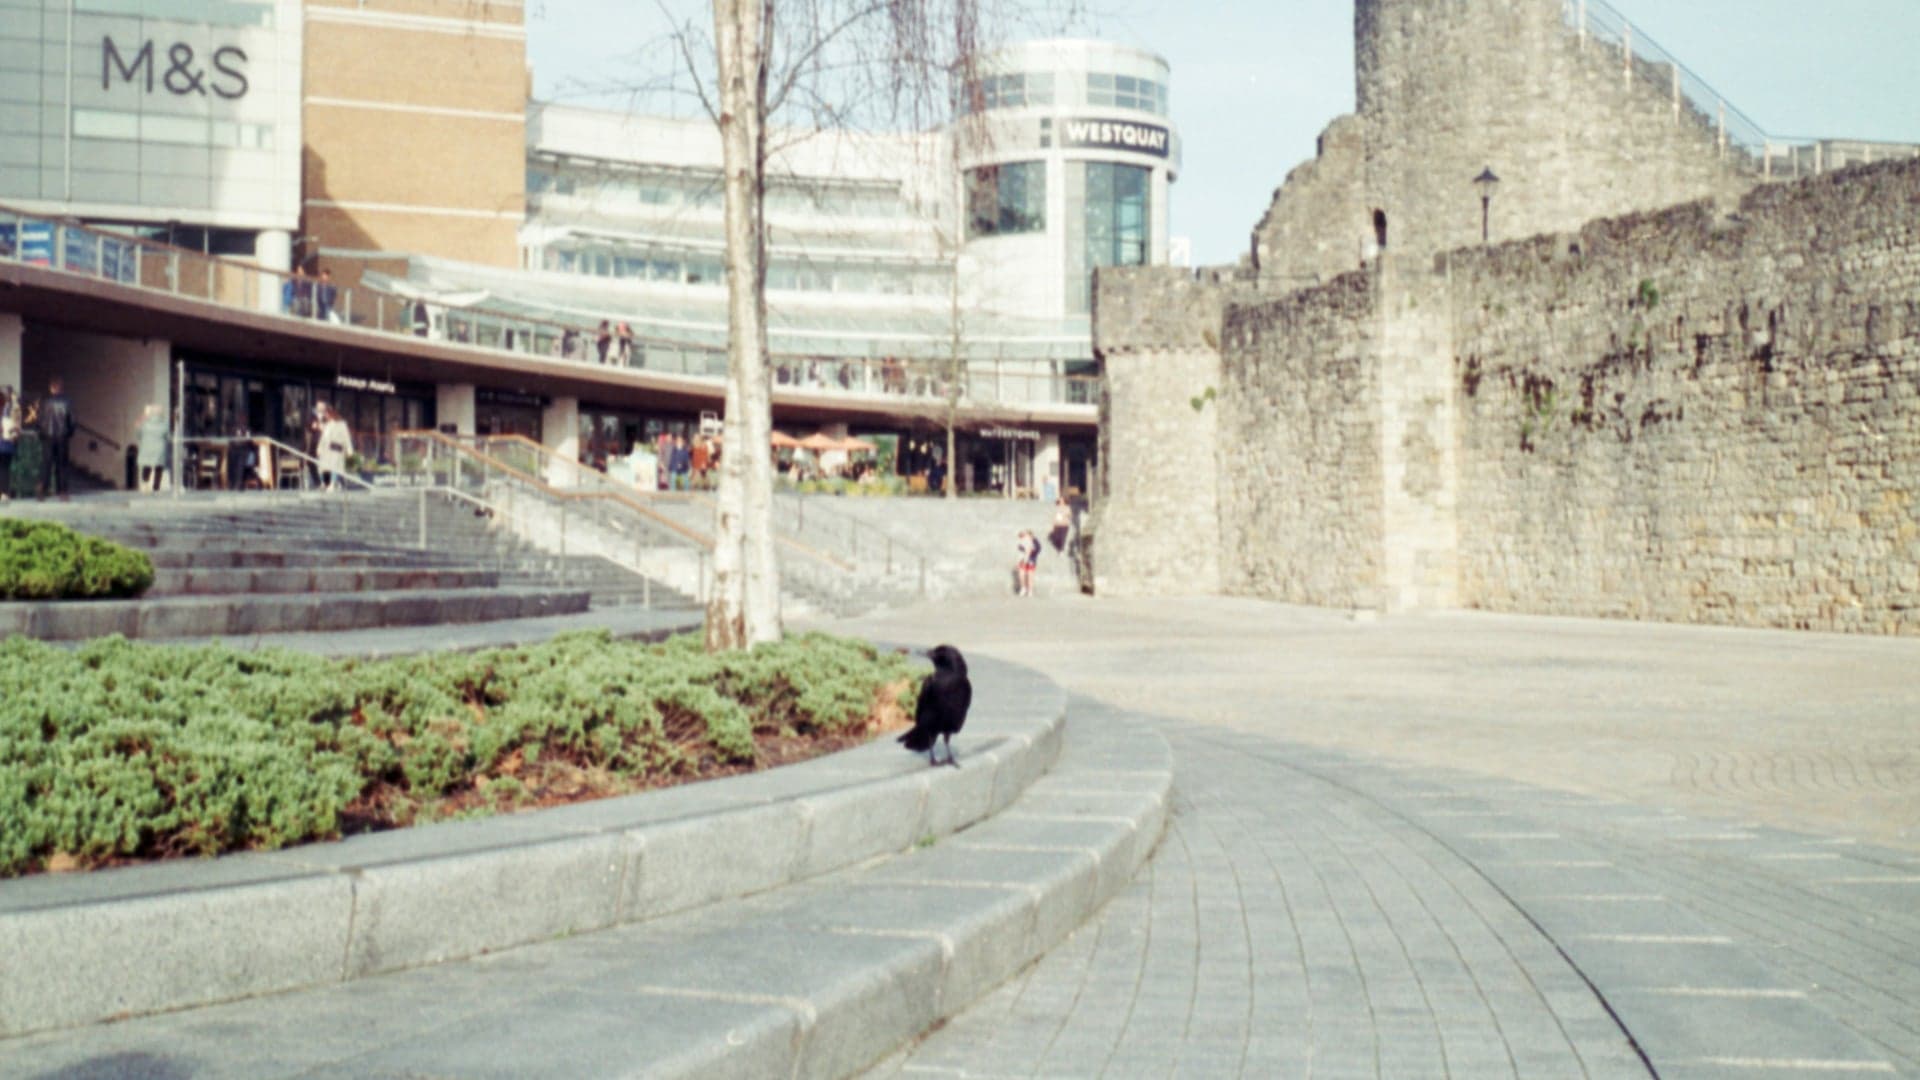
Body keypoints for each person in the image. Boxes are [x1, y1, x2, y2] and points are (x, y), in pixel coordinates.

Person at [38, 377, 75, 498]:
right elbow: (73, 421)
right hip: (62, 436)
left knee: (46, 463)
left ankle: (43, 488)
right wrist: (69, 433)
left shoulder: (44, 402)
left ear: (51, 388)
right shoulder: (67, 402)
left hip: (48, 436)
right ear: (61, 388)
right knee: (62, 464)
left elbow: (40, 421)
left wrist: (41, 434)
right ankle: (63, 491)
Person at [316, 404, 352, 491]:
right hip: (327, 449)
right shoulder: (327, 425)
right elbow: (323, 438)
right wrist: (319, 448)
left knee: (335, 466)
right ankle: (325, 483)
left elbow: (346, 437)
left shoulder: (342, 424)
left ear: (331, 414)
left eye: (327, 414)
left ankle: (332, 484)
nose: (326, 416)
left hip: (337, 448)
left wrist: (349, 450)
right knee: (322, 467)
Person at [135, 402, 169, 493]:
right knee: (159, 467)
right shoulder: (165, 424)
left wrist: (144, 415)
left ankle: (145, 485)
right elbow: (168, 437)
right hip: (159, 449)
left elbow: (138, 435)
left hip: (147, 448)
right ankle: (156, 487)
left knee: (147, 466)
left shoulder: (144, 423)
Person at [0, 386, 18, 500]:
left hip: (3, 443)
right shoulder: (11, 410)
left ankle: (3, 492)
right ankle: (5, 493)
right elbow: (15, 429)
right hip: (7, 445)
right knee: (5, 469)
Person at [1014, 528, 1040, 597]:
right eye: (1025, 535)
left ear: (1031, 535)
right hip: (1022, 560)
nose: (1026, 536)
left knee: (1030, 575)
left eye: (1027, 535)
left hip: (1031, 560)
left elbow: (1036, 550)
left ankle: (1030, 590)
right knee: (1021, 574)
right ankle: (1023, 588)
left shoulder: (1035, 541)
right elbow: (1020, 550)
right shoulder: (1022, 541)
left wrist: (1029, 552)